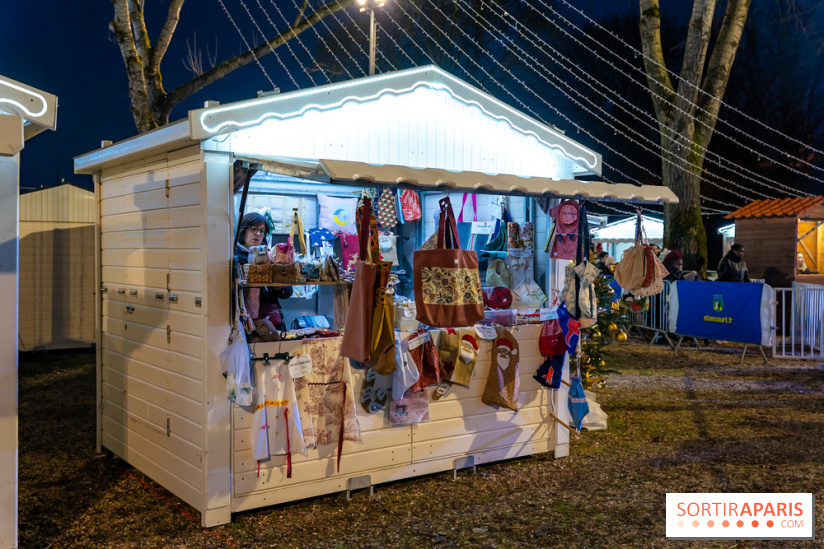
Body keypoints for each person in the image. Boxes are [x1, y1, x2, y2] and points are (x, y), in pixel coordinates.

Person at [235, 212, 293, 331]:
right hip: (246, 323)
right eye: (254, 229)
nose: (258, 234)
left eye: (262, 231)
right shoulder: (234, 257)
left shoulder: (271, 257)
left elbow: (287, 292)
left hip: (273, 322)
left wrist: (278, 286)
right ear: (243, 230)